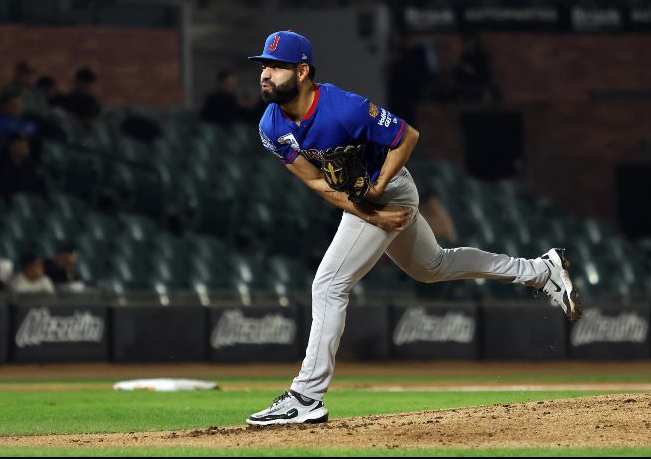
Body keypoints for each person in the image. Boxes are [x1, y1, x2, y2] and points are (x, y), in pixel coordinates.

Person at [244, 30, 582, 426]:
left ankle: (306, 396)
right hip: (365, 204)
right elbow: (318, 183)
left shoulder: (343, 108)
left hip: (391, 187)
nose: (265, 74)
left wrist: (378, 191)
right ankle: (541, 271)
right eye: (264, 66)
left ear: (302, 71)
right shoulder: (271, 124)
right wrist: (370, 212)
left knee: (329, 284)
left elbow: (407, 136)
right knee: (433, 266)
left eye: (276, 66)